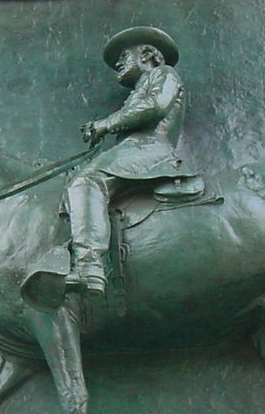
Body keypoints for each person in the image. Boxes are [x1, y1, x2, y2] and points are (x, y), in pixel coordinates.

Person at [64, 26, 195, 294]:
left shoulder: (164, 74)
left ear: (147, 55)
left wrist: (106, 123)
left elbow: (155, 106)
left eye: (125, 55)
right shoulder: (137, 90)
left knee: (87, 181)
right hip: (134, 150)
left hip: (149, 150)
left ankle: (89, 267)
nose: (118, 63)